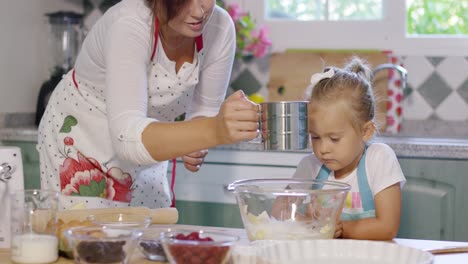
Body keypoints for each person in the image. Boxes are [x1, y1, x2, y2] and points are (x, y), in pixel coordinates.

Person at [37, 0, 259, 210]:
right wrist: (214, 129)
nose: (199, 10)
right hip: (82, 142)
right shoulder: (129, 23)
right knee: (89, 240)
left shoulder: (219, 28)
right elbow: (126, 138)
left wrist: (199, 141)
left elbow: (202, 114)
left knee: (148, 237)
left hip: (144, 147)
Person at [292, 57, 406, 240]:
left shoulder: (378, 159)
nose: (323, 149)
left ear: (366, 131)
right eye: (315, 137)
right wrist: (308, 222)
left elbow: (387, 227)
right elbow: (282, 212)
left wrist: (339, 228)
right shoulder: (310, 166)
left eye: (334, 139)